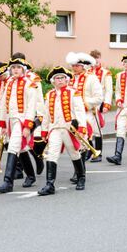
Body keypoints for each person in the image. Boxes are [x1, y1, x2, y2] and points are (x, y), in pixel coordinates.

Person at [0, 57, 40, 193]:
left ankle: (8, 182)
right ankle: (31, 176)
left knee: (13, 147)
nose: (15, 70)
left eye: (18, 67)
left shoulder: (29, 84)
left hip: (21, 120)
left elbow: (32, 107)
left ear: (23, 69)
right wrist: (2, 124)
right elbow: (3, 104)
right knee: (22, 149)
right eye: (13, 67)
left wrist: (27, 126)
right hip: (10, 120)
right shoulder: (8, 83)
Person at [39, 66, 88, 194]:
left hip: (69, 128)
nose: (60, 80)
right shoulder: (49, 95)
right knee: (51, 154)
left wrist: (82, 126)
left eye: (62, 77)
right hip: (55, 128)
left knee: (74, 153)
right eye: (57, 78)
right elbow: (46, 114)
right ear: (53, 81)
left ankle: (81, 178)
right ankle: (50, 185)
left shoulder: (73, 92)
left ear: (66, 80)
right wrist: (44, 130)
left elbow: (80, 111)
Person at [88, 50, 113, 162]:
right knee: (86, 128)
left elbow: (108, 90)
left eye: (97, 57)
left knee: (97, 130)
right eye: (93, 58)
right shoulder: (87, 71)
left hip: (98, 104)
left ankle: (98, 153)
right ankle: (89, 150)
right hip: (87, 103)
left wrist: (107, 104)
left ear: (100, 58)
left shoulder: (105, 73)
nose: (95, 60)